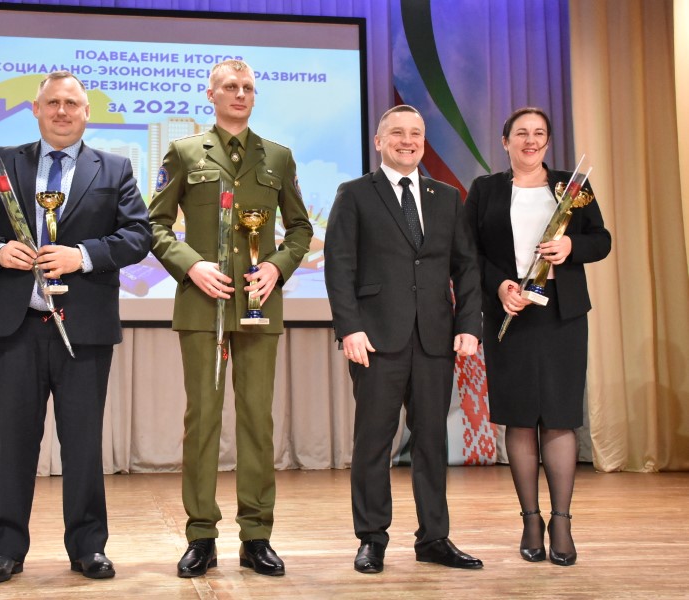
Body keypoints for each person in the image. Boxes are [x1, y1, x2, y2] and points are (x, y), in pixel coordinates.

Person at [0, 70, 151, 584]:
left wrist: (82, 255)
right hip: (15, 326)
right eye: (53, 102)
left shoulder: (115, 168)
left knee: (83, 443)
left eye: (72, 103)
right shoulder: (4, 162)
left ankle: (88, 548)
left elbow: (138, 236)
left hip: (85, 328)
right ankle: (4, 550)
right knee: (15, 442)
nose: (63, 111)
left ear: (87, 113)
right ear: (36, 110)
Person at [148, 59, 313, 578]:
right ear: (211, 94)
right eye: (230, 86)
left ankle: (257, 535)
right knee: (202, 421)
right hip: (203, 305)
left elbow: (301, 229)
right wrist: (191, 265)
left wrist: (277, 267)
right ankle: (201, 535)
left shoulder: (277, 156)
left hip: (259, 305)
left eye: (247, 88)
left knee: (257, 420)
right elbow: (155, 224)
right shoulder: (184, 152)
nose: (240, 94)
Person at [324, 105, 484, 573]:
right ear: (379, 142)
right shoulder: (354, 193)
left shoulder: (446, 197)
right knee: (373, 442)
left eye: (415, 133)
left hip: (435, 339)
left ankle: (434, 538)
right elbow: (339, 265)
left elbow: (466, 267)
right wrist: (349, 328)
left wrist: (468, 326)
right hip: (375, 339)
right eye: (397, 133)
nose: (407, 140)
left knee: (432, 442)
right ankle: (372, 538)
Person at [464, 107, 610, 566]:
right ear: (505, 141)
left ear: (547, 142)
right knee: (521, 418)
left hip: (562, 316)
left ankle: (561, 522)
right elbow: (468, 253)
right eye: (521, 133)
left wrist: (571, 246)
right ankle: (530, 520)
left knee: (560, 417)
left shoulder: (572, 186)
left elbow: (602, 240)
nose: (531, 140)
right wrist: (499, 287)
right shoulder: (485, 189)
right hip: (511, 314)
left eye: (539, 133)